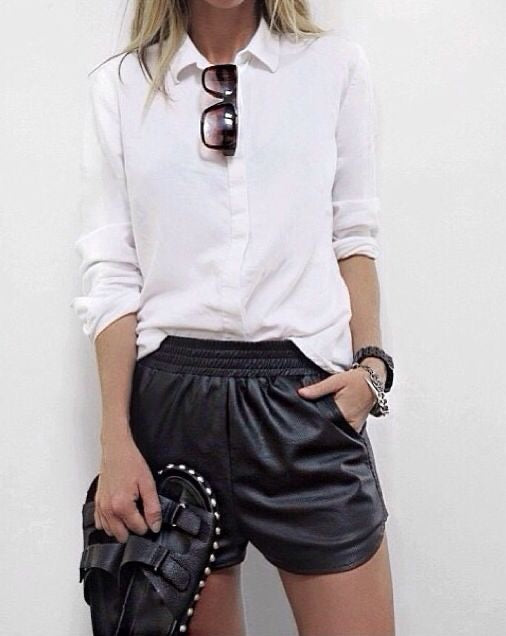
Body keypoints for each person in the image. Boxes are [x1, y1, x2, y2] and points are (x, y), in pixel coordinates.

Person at [70, 0, 396, 633]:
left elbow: (354, 235)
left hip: (303, 404)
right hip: (172, 411)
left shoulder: (332, 67)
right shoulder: (121, 85)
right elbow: (111, 268)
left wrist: (372, 368)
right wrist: (115, 436)